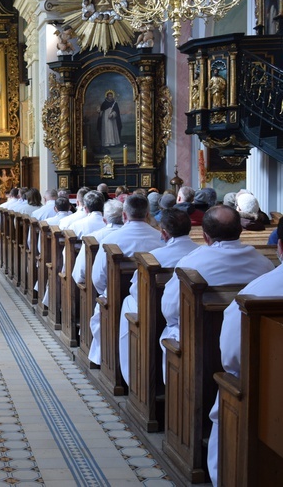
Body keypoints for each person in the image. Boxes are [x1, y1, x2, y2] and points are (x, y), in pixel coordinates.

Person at [159, 205, 275, 381]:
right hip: (252, 347)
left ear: (205, 236)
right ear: (240, 230)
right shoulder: (264, 264)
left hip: (198, 344)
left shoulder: (191, 264)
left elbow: (169, 309)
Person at [207, 218, 283, 486]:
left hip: (268, 395)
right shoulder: (261, 268)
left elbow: (231, 355)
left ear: (280, 247)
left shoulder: (259, 291)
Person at [117, 208, 198, 386]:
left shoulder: (154, 257)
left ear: (164, 233)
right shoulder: (198, 253)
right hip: (196, 322)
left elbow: (137, 290)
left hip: (166, 318)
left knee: (128, 303)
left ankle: (132, 375)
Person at [89, 195, 164, 365]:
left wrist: (108, 292)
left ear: (124, 216)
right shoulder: (161, 238)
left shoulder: (111, 241)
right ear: (147, 215)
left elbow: (98, 278)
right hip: (160, 301)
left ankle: (106, 360)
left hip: (117, 298)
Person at [72, 199, 124, 285]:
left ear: (104, 220)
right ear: (124, 217)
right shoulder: (136, 236)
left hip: (100, 289)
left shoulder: (93, 238)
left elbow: (80, 272)